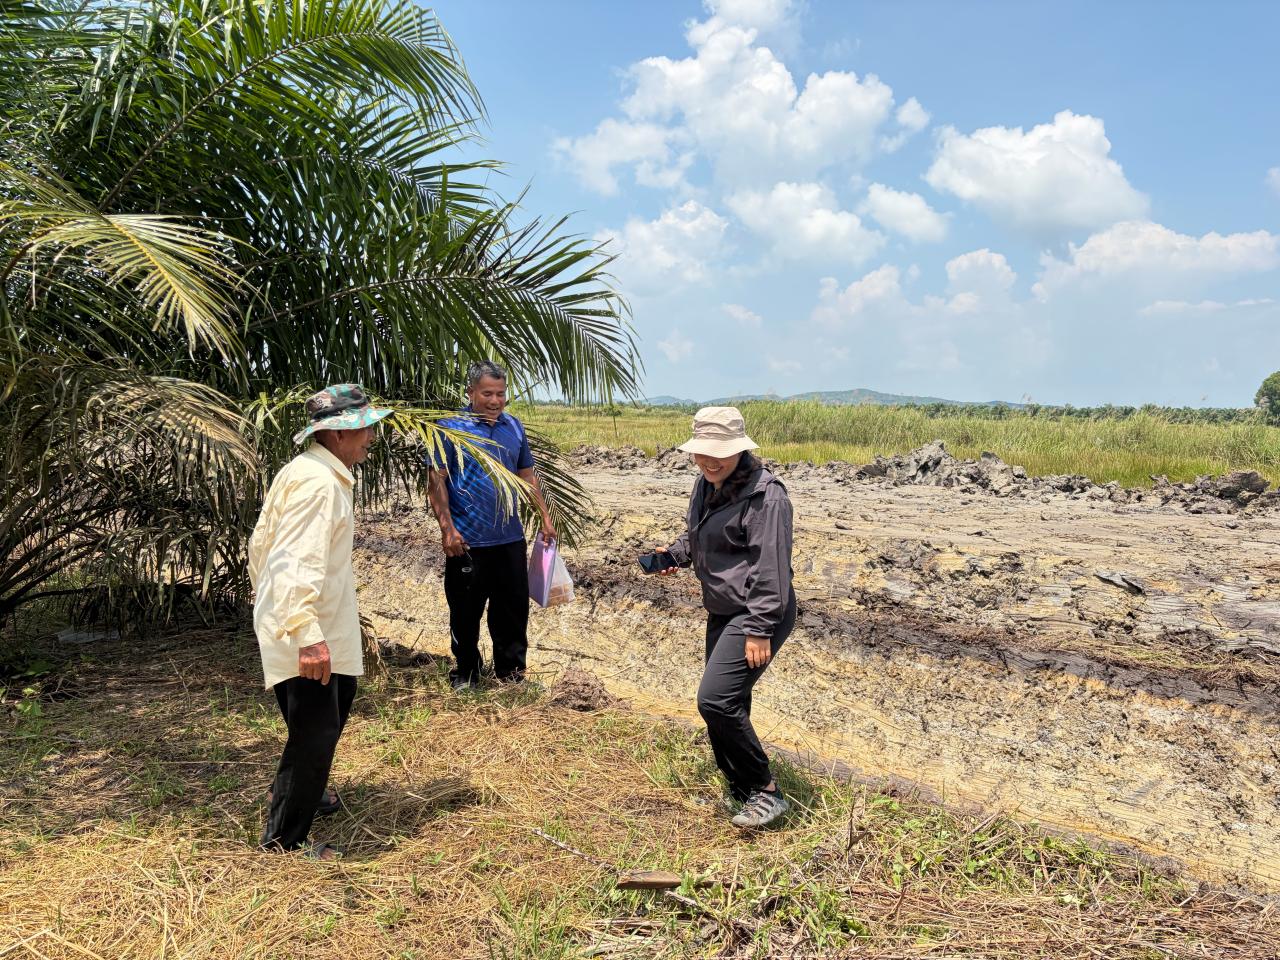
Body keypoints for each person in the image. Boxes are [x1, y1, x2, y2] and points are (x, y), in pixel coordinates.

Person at [248, 383, 392, 860]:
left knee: (323, 717)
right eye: (364, 429)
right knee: (316, 733)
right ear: (337, 434)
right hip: (307, 624)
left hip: (310, 618)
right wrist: (306, 633)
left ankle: (298, 793)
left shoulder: (310, 471)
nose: (371, 437)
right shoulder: (319, 484)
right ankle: (284, 841)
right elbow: (294, 561)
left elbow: (260, 546)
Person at [655, 406, 796, 829]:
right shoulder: (707, 483)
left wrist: (759, 629)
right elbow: (698, 533)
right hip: (722, 607)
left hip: (757, 610)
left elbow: (771, 568)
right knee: (731, 700)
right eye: (702, 452)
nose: (709, 460)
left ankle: (766, 791)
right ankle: (740, 786)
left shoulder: (766, 496)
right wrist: (675, 554)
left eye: (720, 452)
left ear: (739, 449)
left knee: (714, 699)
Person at [426, 360, 556, 691]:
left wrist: (544, 517)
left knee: (512, 612)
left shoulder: (514, 427)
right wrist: (448, 530)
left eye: (500, 394)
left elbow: (527, 476)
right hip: (467, 542)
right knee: (465, 613)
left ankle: (511, 676)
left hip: (509, 539)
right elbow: (436, 482)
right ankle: (466, 674)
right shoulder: (449, 428)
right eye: (487, 394)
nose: (495, 401)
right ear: (470, 392)